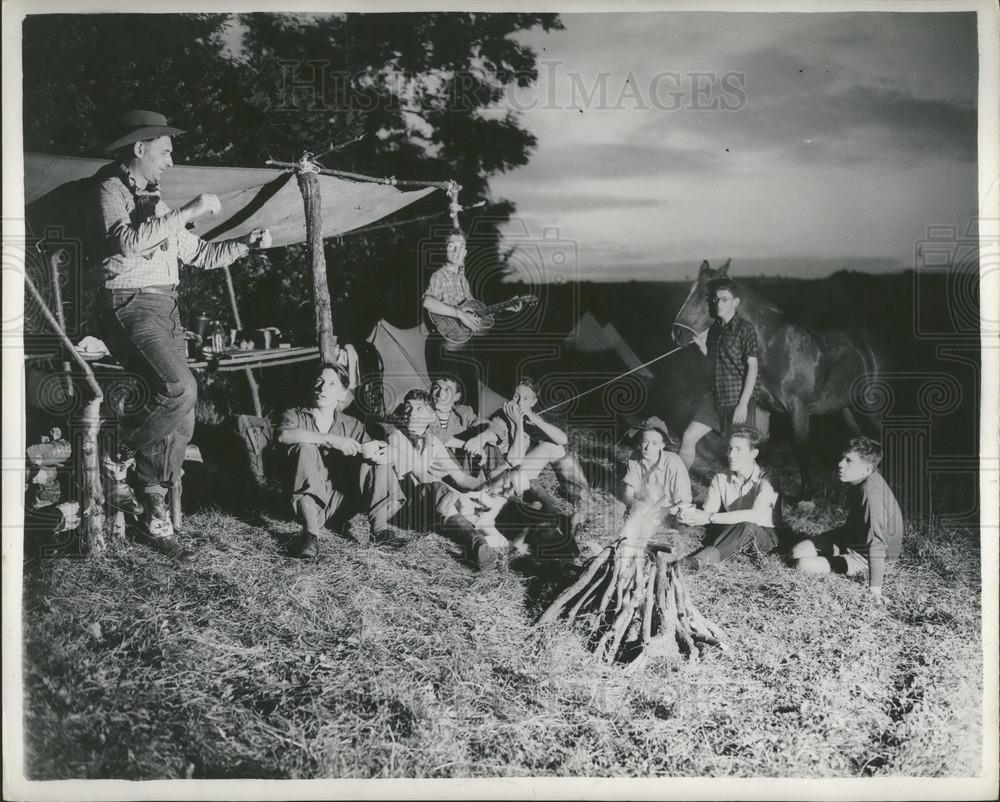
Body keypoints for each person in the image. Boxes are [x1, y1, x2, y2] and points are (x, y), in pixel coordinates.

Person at [89, 109, 270, 560]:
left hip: (167, 308)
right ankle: (114, 451)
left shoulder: (161, 204)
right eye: (166, 150)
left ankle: (154, 516)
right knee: (178, 388)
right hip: (129, 303)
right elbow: (126, 242)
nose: (171, 159)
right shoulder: (110, 188)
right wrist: (189, 211)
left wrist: (245, 244)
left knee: (182, 417)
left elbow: (201, 254)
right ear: (140, 148)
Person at [368, 389, 498, 569]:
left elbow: (460, 478)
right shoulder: (396, 436)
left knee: (458, 497)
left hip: (426, 505)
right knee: (438, 489)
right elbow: (422, 476)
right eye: (408, 407)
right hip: (401, 507)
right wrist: (457, 495)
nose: (412, 413)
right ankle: (475, 542)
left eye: (420, 409)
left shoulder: (432, 441)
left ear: (431, 416)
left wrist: (490, 487)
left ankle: (477, 548)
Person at [276, 362, 388, 559]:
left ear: (342, 394)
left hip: (341, 502)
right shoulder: (294, 414)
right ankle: (310, 536)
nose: (322, 388)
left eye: (331, 384)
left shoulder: (352, 424)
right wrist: (330, 439)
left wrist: (385, 451)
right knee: (304, 447)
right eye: (319, 382)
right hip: (303, 504)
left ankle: (380, 531)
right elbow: (283, 435)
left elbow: (374, 453)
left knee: (376, 460)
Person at [789, 437, 903, 603]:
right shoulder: (861, 479)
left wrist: (875, 590)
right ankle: (836, 554)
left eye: (849, 461)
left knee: (802, 566)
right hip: (852, 540)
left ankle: (841, 561)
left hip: (867, 557)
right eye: (843, 458)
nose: (840, 464)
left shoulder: (871, 494)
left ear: (867, 469)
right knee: (797, 550)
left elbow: (878, 543)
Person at [464, 377, 592, 505]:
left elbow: (563, 440)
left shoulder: (529, 419)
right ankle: (542, 505)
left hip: (522, 472)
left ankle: (580, 494)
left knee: (555, 448)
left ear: (533, 402)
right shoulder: (501, 417)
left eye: (525, 399)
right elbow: (514, 460)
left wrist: (534, 418)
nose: (519, 403)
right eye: (516, 396)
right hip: (505, 476)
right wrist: (518, 423)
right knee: (521, 472)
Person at [679, 278, 760, 470]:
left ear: (736, 302)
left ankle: (743, 496)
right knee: (688, 438)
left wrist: (743, 403)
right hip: (715, 398)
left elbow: (753, 367)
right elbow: (716, 363)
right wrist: (701, 346)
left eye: (724, 299)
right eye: (716, 300)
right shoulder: (716, 328)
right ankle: (679, 491)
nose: (718, 304)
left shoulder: (745, 329)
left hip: (737, 400)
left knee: (740, 455)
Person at [677, 427, 780, 570]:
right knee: (688, 527)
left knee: (747, 527)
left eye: (739, 450)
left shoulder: (768, 479)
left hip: (763, 538)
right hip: (731, 530)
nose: (731, 455)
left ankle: (697, 562)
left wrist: (709, 517)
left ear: (754, 453)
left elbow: (754, 516)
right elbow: (708, 512)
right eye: (729, 449)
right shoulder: (721, 478)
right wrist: (690, 516)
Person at [621, 416, 692, 515]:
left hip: (670, 511)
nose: (647, 448)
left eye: (654, 443)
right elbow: (628, 494)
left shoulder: (674, 463)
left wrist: (664, 514)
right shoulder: (635, 458)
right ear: (640, 441)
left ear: (662, 445)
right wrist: (635, 503)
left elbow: (685, 502)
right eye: (645, 441)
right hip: (646, 508)